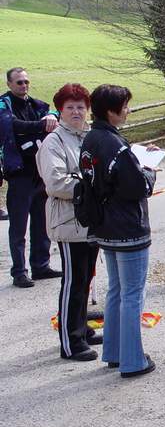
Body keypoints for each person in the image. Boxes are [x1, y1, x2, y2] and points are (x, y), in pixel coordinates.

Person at [80, 84, 157, 377]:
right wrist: (148, 170)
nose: (128, 111)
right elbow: (137, 186)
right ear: (111, 111)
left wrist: (135, 160)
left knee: (116, 290)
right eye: (124, 106)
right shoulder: (116, 145)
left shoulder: (91, 138)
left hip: (104, 226)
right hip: (127, 226)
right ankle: (133, 360)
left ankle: (113, 351)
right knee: (133, 294)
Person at [36, 83, 101, 361]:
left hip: (89, 220)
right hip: (68, 220)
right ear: (60, 111)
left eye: (80, 107)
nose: (76, 112)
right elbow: (55, 183)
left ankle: (81, 328)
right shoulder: (54, 142)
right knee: (74, 282)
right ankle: (70, 342)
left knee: (86, 278)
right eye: (70, 107)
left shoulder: (87, 136)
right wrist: (92, 186)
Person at [0, 67, 62, 288]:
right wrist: (42, 125)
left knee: (41, 222)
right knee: (18, 226)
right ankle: (19, 272)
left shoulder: (35, 104)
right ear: (9, 84)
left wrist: (51, 116)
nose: (24, 85)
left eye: (26, 81)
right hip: (19, 174)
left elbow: (53, 112)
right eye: (19, 82)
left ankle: (41, 266)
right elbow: (11, 125)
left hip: (40, 172)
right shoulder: (3, 105)